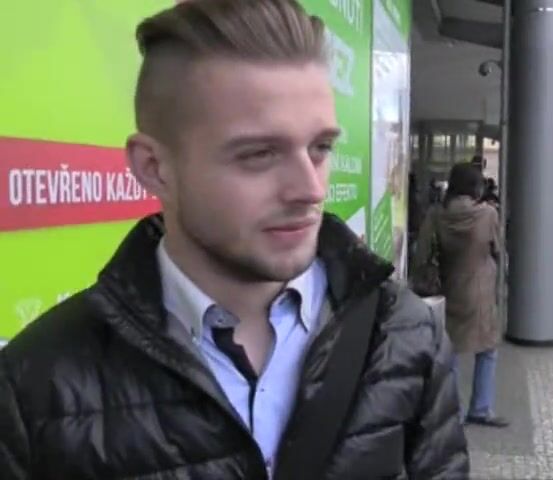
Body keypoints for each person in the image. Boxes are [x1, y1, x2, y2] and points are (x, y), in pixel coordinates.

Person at [0, 1, 468, 479]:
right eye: (260, 154)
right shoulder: (34, 385)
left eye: (320, 147)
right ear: (154, 168)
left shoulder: (405, 334)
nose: (310, 188)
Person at [415, 163, 508, 428]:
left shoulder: (436, 214)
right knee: (487, 350)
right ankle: (480, 408)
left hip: (448, 289)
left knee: (450, 352)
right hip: (481, 292)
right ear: (475, 187)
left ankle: (451, 413)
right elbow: (498, 250)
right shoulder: (487, 214)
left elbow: (422, 253)